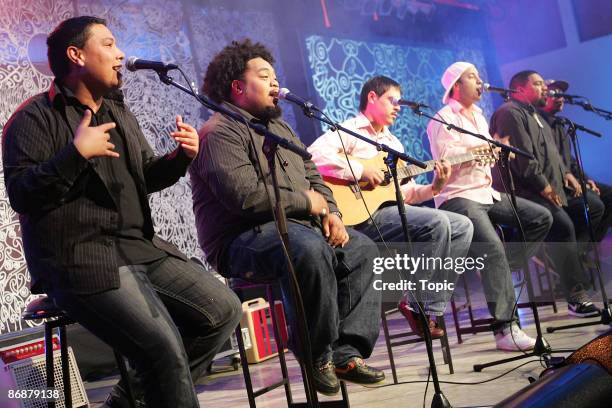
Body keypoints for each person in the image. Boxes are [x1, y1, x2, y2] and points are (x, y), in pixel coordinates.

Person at [2, 16, 241, 408]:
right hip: (81, 258)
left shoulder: (118, 112)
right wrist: (74, 155)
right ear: (76, 55)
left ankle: (129, 400)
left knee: (223, 311)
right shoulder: (32, 119)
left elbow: (145, 176)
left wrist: (179, 158)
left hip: (139, 249)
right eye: (109, 44)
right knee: (163, 351)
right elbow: (22, 194)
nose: (121, 54)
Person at [189, 39, 384, 396]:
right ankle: (316, 354)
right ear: (238, 87)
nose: (277, 85)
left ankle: (345, 351)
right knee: (308, 250)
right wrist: (308, 205)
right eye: (265, 77)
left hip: (294, 229)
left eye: (276, 77)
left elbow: (313, 178)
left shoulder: (281, 129)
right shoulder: (218, 133)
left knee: (361, 249)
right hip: (240, 241)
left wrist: (334, 213)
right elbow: (245, 199)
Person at [308, 75, 474, 340]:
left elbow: (403, 195)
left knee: (462, 226)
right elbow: (313, 157)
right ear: (372, 98)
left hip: (387, 213)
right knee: (438, 224)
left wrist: (434, 187)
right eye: (392, 101)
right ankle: (418, 304)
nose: (398, 107)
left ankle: (423, 305)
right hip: (355, 216)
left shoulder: (395, 145)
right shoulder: (349, 130)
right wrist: (361, 169)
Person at [426, 62, 553, 351]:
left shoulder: (480, 116)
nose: (480, 81)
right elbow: (447, 158)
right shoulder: (442, 118)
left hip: (487, 193)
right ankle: (505, 329)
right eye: (472, 77)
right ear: (456, 86)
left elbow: (483, 158)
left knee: (540, 218)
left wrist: (495, 152)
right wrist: (480, 150)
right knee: (493, 249)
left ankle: (501, 271)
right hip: (458, 196)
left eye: (479, 77)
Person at [490, 70, 600, 318]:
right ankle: (576, 296)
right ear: (519, 88)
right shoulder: (510, 112)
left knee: (592, 207)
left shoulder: (533, 114)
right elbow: (523, 158)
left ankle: (569, 257)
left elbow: (550, 154)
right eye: (538, 84)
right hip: (526, 192)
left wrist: (566, 174)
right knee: (562, 226)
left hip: (548, 188)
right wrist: (545, 186)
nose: (545, 89)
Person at [540, 79, 611, 244]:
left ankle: (587, 247)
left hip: (571, 180)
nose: (561, 97)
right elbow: (547, 161)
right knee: (594, 205)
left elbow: (569, 160)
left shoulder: (560, 125)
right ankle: (574, 253)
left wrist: (586, 179)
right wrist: (570, 178)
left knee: (609, 195)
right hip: (555, 184)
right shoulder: (539, 125)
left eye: (562, 94)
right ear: (543, 96)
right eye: (554, 94)